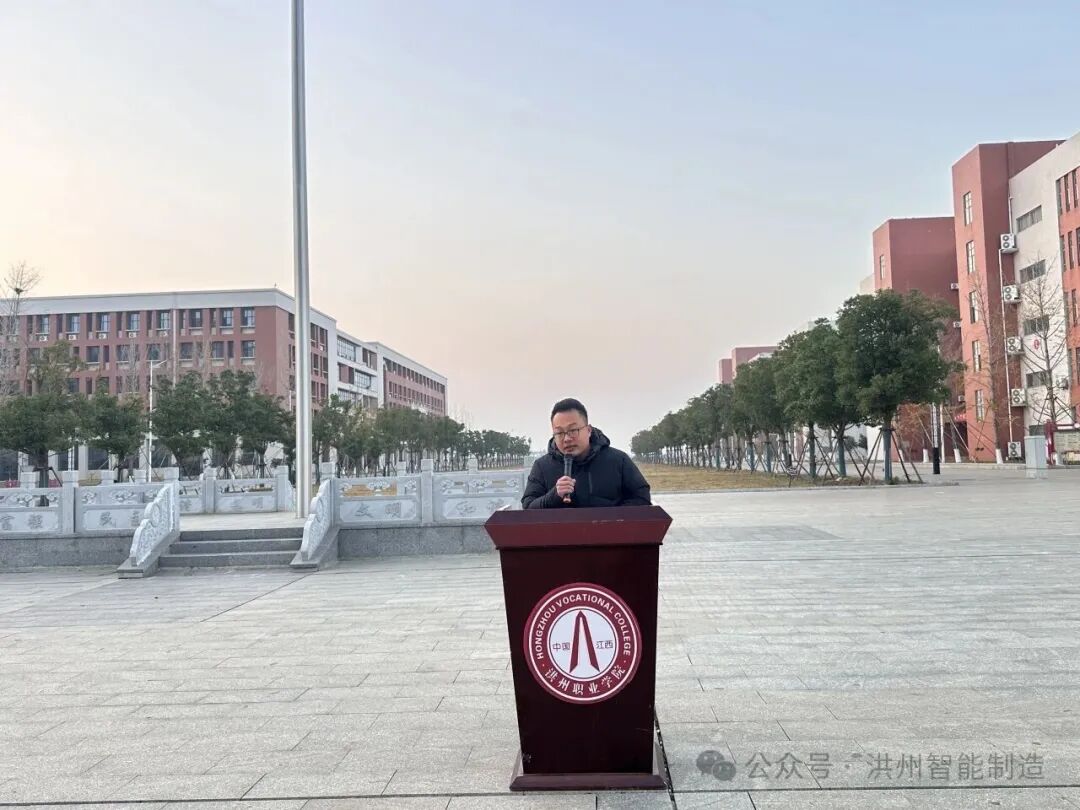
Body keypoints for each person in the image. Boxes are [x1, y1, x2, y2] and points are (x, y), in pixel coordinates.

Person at [522, 398, 651, 509]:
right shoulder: (542, 467)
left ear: (588, 430)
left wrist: (610, 519)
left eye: (573, 430)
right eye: (559, 433)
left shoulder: (618, 460)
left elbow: (642, 498)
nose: (567, 438)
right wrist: (554, 495)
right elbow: (528, 507)